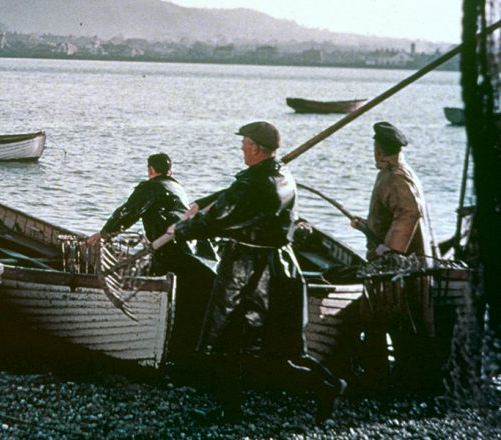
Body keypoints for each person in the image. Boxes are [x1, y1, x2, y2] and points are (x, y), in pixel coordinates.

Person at [171, 121, 345, 423]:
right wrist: (203, 202)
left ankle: (229, 409)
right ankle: (327, 384)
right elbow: (234, 198)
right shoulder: (283, 176)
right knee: (282, 348)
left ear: (254, 147)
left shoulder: (251, 184)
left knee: (226, 341)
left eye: (244, 144)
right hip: (282, 267)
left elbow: (219, 218)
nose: (241, 148)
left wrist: (179, 230)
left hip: (246, 270)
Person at [87, 153, 215, 361]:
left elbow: (128, 212)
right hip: (189, 247)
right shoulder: (177, 187)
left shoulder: (150, 187)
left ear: (150, 170)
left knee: (168, 275)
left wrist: (104, 233)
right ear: (170, 171)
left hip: (171, 248)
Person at [351, 121, 441, 392]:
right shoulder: (402, 172)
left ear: (378, 149)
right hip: (409, 261)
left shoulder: (393, 176)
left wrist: (389, 250)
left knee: (393, 317)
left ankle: (388, 379)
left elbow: (408, 213)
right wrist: (366, 227)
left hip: (399, 265)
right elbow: (397, 214)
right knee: (404, 318)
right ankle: (401, 376)